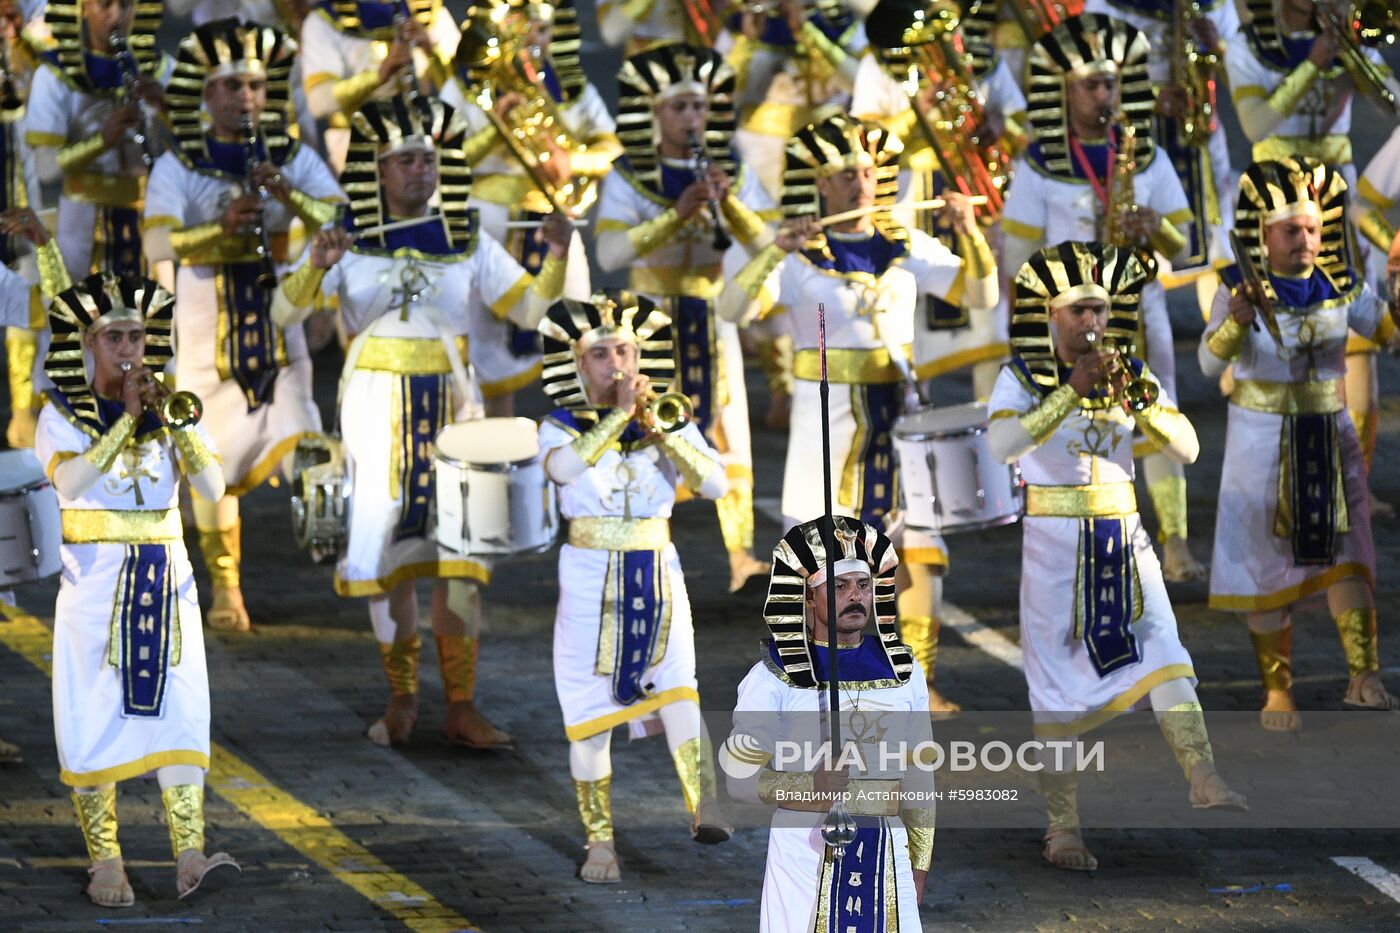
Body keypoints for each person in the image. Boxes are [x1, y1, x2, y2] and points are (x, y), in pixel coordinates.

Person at [272, 94, 572, 750]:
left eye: (429, 159)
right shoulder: (343, 235)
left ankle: (461, 704)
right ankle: (402, 695)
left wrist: (554, 255)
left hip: (453, 408)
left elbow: (531, 310)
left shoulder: (466, 235)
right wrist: (314, 267)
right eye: (405, 159)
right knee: (390, 554)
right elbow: (284, 315)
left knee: (460, 555)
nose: (420, 170)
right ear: (378, 170)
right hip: (375, 410)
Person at [720, 112, 996, 714]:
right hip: (829, 427)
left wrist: (969, 233)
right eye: (846, 174)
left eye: (868, 172)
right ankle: (817, 684)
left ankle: (915, 681)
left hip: (899, 421)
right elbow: (733, 308)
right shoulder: (801, 256)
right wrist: (773, 250)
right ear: (821, 184)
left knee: (918, 552)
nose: (860, 184)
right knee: (822, 563)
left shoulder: (904, 243)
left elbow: (981, 294)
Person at [988, 240, 1246, 872]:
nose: (1091, 322)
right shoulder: (1019, 376)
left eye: (1099, 310)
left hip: (1125, 540)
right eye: (1077, 311)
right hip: (1053, 550)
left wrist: (1145, 404)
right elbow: (1003, 445)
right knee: (1053, 684)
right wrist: (1069, 392)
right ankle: (1062, 828)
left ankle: (1203, 774)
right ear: (1050, 316)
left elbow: (1187, 449)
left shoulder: (1131, 372)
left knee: (1163, 647)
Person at [34, 272, 239, 906]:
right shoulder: (59, 414)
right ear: (88, 345)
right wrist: (125, 422)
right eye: (114, 338)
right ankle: (106, 860)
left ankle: (190, 853)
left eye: (136, 337)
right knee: (93, 711)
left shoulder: (170, 409)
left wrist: (178, 426)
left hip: (167, 581)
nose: (128, 350)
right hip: (95, 584)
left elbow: (214, 490)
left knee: (181, 709)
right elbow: (70, 484)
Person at [144, 18, 343, 633]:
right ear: (207, 95)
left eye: (255, 86)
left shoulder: (290, 155)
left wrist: (290, 195)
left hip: (279, 327)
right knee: (212, 466)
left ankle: (333, 537)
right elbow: (157, 241)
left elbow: (340, 216)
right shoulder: (180, 163)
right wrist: (220, 227)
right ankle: (226, 584)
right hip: (205, 329)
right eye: (232, 86)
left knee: (307, 437)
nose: (247, 98)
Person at [999, 12, 1207, 582]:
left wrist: (1155, 228)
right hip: (1069, 318)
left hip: (1142, 307)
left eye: (1110, 84)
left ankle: (1176, 539)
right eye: (1090, 85)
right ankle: (1067, 525)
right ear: (1064, 93)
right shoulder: (1040, 164)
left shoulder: (1145, 155)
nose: (1103, 96)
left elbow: (1184, 240)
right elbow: (1016, 259)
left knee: (1158, 412)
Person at [538, 288, 732, 884]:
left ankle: (705, 803)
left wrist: (665, 431)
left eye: (624, 351)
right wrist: (618, 418)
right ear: (578, 365)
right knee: (590, 712)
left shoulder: (668, 417)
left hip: (657, 569)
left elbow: (716, 485)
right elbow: (562, 470)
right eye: (600, 354)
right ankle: (600, 842)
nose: (615, 363)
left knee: (678, 686)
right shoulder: (557, 426)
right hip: (589, 578)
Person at [1199, 156, 1400, 732]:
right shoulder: (1235, 288)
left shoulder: (1342, 285)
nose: (1305, 240)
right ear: (1263, 235)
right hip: (1260, 446)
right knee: (1267, 570)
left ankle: (1364, 677)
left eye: (1312, 228)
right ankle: (1277, 692)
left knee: (1349, 557)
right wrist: (1235, 323)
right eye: (1291, 230)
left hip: (1332, 438)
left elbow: (1390, 334)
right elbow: (1208, 362)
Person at [596, 42, 775, 593]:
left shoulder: (731, 169)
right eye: (679, 107)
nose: (692, 118)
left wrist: (730, 203)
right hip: (648, 320)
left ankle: (741, 555)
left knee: (731, 429)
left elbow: (770, 244)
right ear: (654, 113)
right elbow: (610, 254)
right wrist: (674, 217)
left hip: (712, 314)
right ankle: (649, 549)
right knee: (650, 430)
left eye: (699, 106)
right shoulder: (628, 175)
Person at [1227, 0, 1400, 515]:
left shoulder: (1348, 34)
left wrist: (1356, 58)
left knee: (1358, 348)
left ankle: (1356, 484)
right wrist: (1312, 64)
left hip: (1338, 203)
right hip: (1274, 209)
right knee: (1272, 346)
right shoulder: (1246, 46)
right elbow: (1256, 125)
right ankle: (1276, 486)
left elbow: (1393, 103)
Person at [723, 515, 936, 931]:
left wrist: (919, 862)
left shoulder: (903, 671)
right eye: (838, 586)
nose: (855, 596)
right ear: (808, 596)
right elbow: (739, 780)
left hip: (887, 854)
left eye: (863, 585)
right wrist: (810, 786)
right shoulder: (774, 675)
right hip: (803, 855)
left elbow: (919, 774)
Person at [442, 0, 616, 415]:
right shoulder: (465, 86)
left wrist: (572, 161)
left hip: (555, 215)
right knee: (486, 340)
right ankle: (494, 440)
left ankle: (584, 434)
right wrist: (494, 130)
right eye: (528, 31)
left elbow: (612, 148)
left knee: (580, 324)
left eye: (544, 31)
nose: (537, 41)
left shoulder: (570, 87)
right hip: (487, 222)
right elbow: (443, 160)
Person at [1083, 0, 1239, 317]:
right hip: (1135, 140)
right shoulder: (1105, 5)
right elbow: (1088, 77)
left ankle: (1220, 329)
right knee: (1137, 238)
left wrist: (1222, 49)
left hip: (1200, 137)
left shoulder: (1214, 4)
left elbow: (1244, 71)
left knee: (1217, 244)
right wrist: (1151, 95)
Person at [22, 0, 170, 281]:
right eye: (105, 5)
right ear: (82, 8)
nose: (116, 16)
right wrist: (102, 140)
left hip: (150, 216)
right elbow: (46, 169)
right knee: (83, 303)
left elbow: (196, 157)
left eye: (125, 5)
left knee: (154, 306)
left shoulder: (160, 69)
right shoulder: (54, 74)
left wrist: (167, 109)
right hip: (81, 222)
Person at [299, 0, 460, 172]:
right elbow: (319, 103)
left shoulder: (427, 10)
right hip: (361, 149)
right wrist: (378, 76)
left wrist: (432, 52)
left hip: (424, 144)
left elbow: (464, 91)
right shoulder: (324, 20)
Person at [0, 0, 46, 448]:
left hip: (22, 206)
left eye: (12, 15)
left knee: (29, 301)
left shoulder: (35, 46)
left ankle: (23, 412)